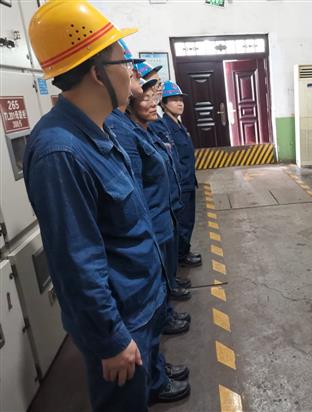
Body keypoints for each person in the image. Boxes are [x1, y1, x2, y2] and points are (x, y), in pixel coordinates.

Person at [24, 1, 188, 410]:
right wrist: (110, 340)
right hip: (122, 321)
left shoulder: (98, 131)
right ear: (98, 72)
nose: (133, 77)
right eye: (125, 63)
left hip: (141, 303)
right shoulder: (60, 152)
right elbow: (77, 263)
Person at [105, 41, 192, 333]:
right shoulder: (121, 130)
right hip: (152, 221)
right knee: (154, 279)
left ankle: (165, 313)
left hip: (162, 214)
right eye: (146, 90)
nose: (153, 98)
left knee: (163, 272)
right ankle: (163, 318)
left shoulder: (138, 128)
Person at [152, 80, 202, 267]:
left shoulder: (179, 125)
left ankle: (185, 250)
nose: (179, 103)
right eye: (174, 100)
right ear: (163, 104)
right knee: (182, 222)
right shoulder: (165, 126)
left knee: (188, 220)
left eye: (181, 99)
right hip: (180, 185)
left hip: (188, 181)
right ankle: (181, 256)